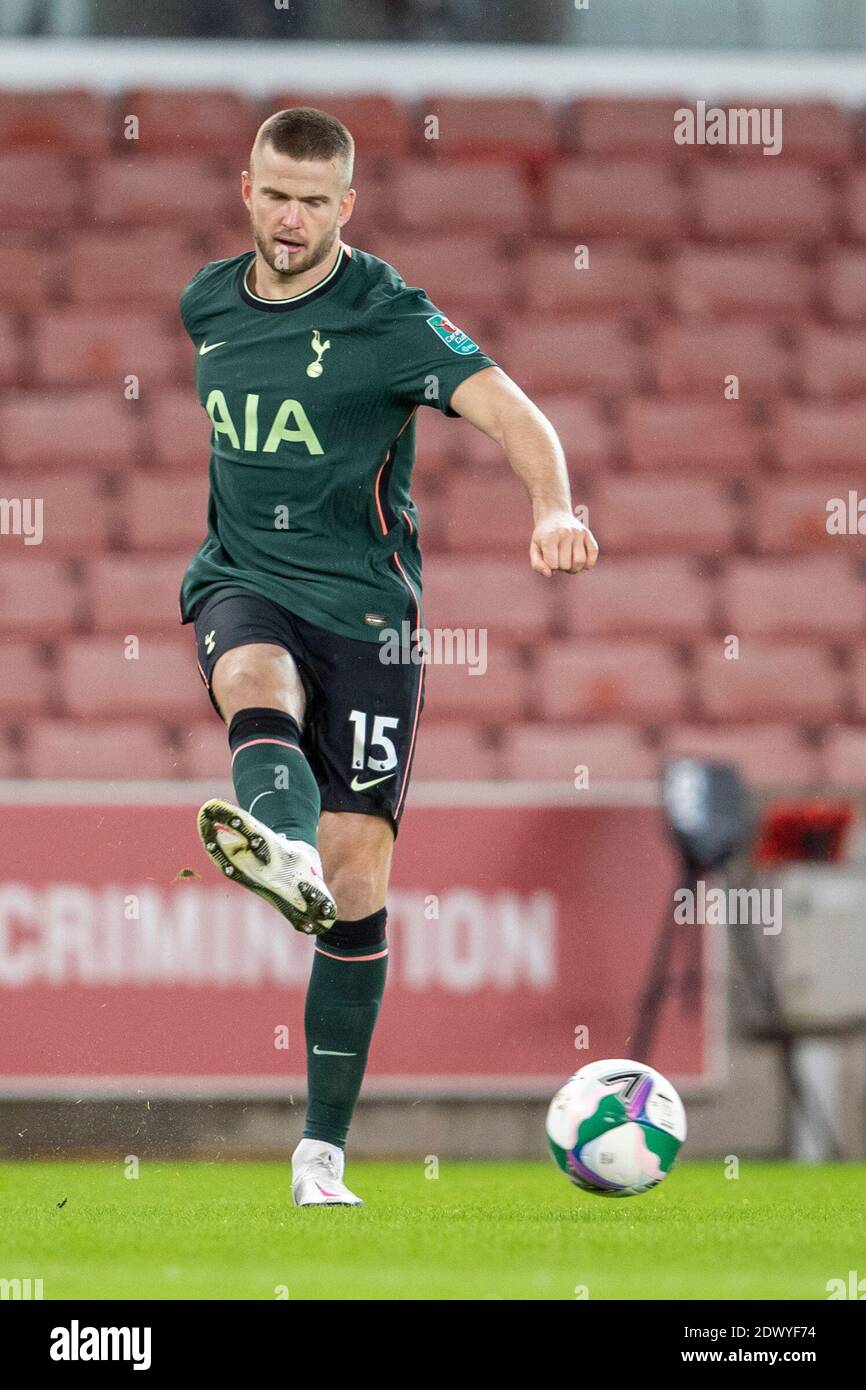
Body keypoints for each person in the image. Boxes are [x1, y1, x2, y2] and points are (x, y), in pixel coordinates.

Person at [178, 107, 598, 1206]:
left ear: (345, 209)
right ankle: (278, 841)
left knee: (358, 883)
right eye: (275, 194)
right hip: (242, 575)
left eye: (314, 202)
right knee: (248, 681)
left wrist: (553, 509)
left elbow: (513, 415)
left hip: (368, 617)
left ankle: (319, 1153)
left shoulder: (388, 317)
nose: (290, 217)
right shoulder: (207, 302)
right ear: (246, 189)